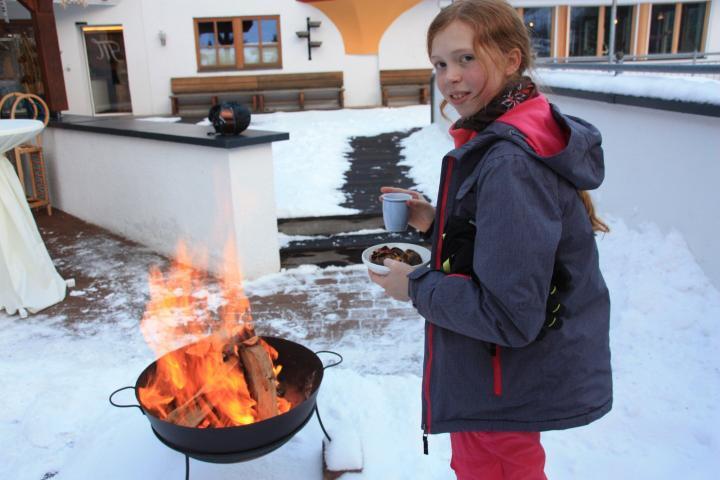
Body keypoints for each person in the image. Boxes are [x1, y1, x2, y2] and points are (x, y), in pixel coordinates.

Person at [368, 1, 612, 479]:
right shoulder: (514, 132)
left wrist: (415, 286)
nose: (451, 78)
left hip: (498, 386)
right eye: (440, 64)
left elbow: (509, 315)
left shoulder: (509, 163)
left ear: (512, 58)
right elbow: (501, 241)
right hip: (496, 380)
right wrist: (434, 222)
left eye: (466, 59)